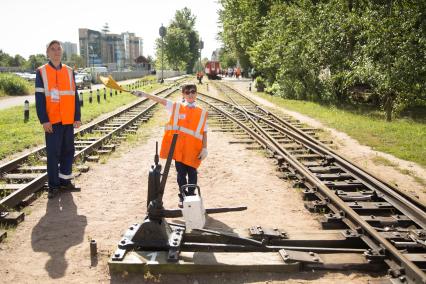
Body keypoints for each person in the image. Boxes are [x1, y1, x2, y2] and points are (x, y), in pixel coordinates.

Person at [132, 83, 208, 207]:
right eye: (187, 92)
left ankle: (191, 195)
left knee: (193, 174)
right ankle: (183, 196)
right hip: (178, 150)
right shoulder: (176, 107)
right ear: (183, 94)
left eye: (193, 92)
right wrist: (145, 94)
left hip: (193, 151)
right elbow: (161, 101)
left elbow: (204, 132)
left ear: (196, 94)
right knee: (181, 175)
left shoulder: (202, 113)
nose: (190, 94)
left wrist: (205, 148)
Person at [35, 40, 81, 199]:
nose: (56, 52)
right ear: (47, 52)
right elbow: (39, 98)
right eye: (52, 49)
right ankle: (54, 186)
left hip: (68, 119)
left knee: (68, 151)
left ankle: (65, 182)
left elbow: (74, 95)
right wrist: (44, 120)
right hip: (52, 120)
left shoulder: (69, 71)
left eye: (58, 49)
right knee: (54, 154)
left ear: (62, 52)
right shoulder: (41, 72)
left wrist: (77, 116)